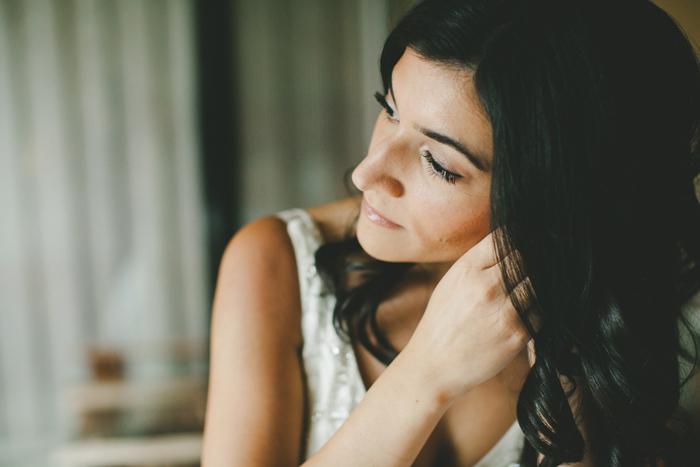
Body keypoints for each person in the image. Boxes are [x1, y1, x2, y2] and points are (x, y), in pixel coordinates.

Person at [201, 0, 700, 465]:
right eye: (391, 109)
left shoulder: (634, 304)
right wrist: (427, 372)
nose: (365, 173)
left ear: (554, 201)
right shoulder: (274, 261)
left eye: (438, 164)